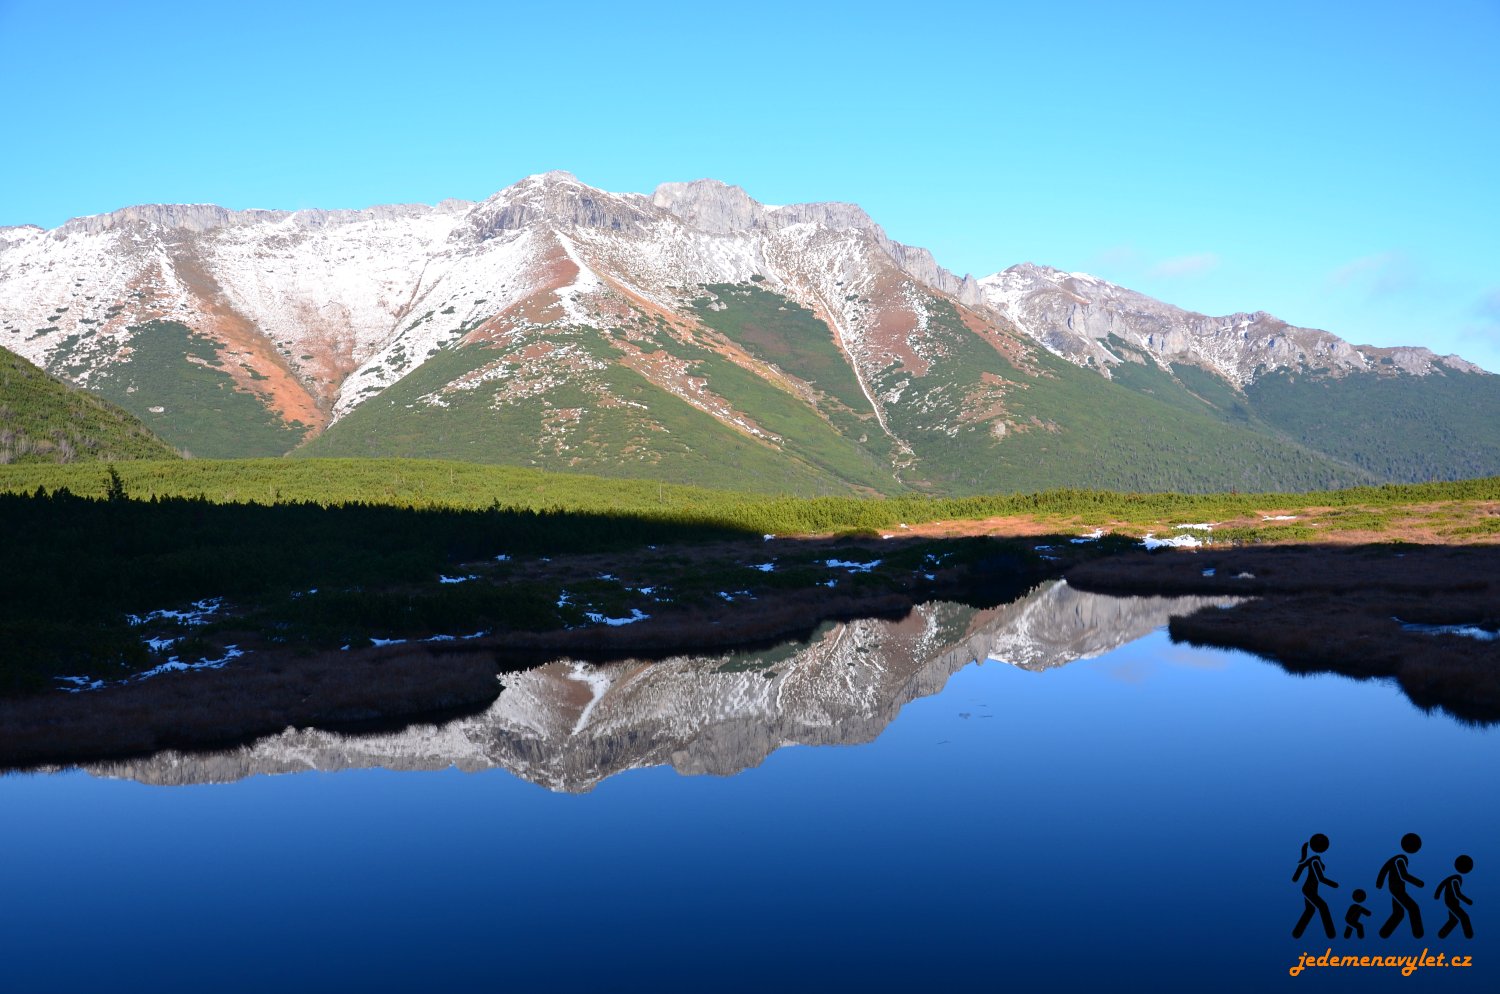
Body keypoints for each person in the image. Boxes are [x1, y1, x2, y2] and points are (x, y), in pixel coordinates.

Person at [1377, 833, 1426, 939]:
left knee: (1398, 913)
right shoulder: (1400, 860)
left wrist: (1379, 883)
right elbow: (1404, 876)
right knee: (1413, 908)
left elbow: (1384, 870)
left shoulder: (1396, 859)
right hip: (1396, 889)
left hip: (1395, 888)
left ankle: (1384, 933)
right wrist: (1419, 883)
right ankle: (1418, 934)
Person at [1293, 834, 1340, 939]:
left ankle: (1296, 933)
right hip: (1309, 890)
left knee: (1310, 910)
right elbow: (1321, 878)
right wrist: (1334, 884)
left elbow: (1301, 866)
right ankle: (1331, 933)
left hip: (1310, 889)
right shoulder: (1314, 861)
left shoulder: (1313, 860)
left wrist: (1295, 878)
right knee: (1323, 906)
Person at [1435, 855, 1474, 940]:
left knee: (1453, 920)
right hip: (1451, 903)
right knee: (1464, 917)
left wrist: (1437, 895)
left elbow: (1441, 885)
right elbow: (1458, 894)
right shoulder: (1455, 880)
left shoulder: (1453, 879)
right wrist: (1468, 901)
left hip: (1451, 902)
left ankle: (1441, 935)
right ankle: (1469, 935)